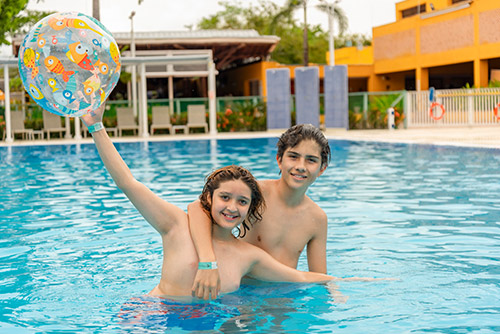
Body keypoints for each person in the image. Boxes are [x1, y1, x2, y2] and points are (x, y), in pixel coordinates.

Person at [80, 106, 335, 298]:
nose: (233, 207)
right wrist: (96, 127)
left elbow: (308, 277)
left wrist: (345, 284)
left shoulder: (251, 256)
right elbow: (129, 183)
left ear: (252, 208)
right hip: (165, 315)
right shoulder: (178, 226)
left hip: (248, 303)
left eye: (242, 202)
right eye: (225, 197)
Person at [188, 124, 332, 299]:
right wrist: (207, 261)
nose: (301, 166)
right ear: (279, 159)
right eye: (293, 157)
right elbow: (197, 207)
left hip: (282, 295)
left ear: (321, 169)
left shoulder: (317, 219)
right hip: (242, 292)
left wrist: (333, 290)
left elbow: (318, 278)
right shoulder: (255, 193)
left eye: (311, 160)